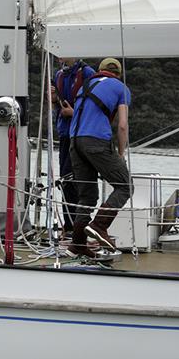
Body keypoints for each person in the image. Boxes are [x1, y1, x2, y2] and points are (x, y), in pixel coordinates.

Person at [67, 57, 132, 258]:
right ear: (118, 74)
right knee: (125, 186)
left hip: (74, 143)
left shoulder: (84, 86)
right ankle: (99, 225)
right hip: (96, 142)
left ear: (100, 71)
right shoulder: (121, 88)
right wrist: (120, 155)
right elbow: (122, 125)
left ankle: (77, 244)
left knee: (87, 196)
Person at [51, 58, 95, 237]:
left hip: (80, 134)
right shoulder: (59, 74)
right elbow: (58, 108)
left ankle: (80, 226)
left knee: (79, 179)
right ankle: (69, 226)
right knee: (66, 179)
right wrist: (54, 100)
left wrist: (73, 112)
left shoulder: (87, 74)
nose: (60, 57)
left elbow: (91, 106)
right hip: (64, 133)